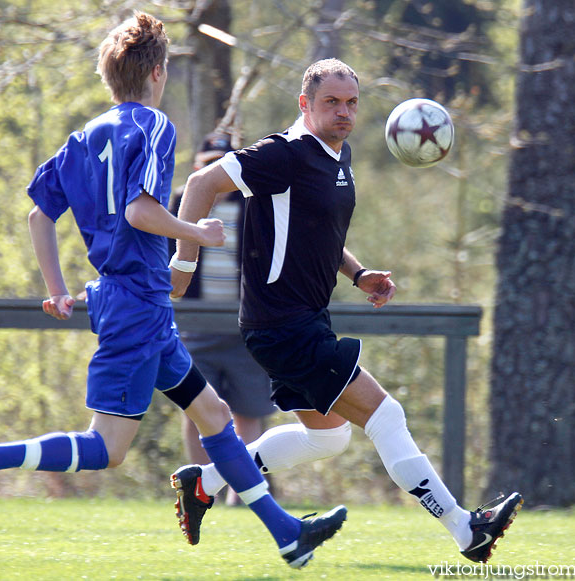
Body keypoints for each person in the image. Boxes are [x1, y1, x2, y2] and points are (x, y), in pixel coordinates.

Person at [0, 14, 347, 570]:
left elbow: (40, 215)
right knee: (107, 450)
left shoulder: (84, 136)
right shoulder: (153, 127)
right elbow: (140, 210)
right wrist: (195, 233)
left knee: (214, 414)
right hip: (137, 303)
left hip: (128, 299)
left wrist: (56, 290)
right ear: (158, 73)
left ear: (111, 76)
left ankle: (286, 534)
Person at [169, 58, 522, 565]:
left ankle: (205, 481)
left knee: (328, 437)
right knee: (386, 415)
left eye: (351, 102)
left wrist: (358, 275)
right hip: (283, 325)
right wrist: (184, 262)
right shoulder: (283, 154)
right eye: (331, 102)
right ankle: (467, 530)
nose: (343, 112)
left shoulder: (337, 155)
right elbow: (201, 184)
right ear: (305, 104)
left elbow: (318, 235)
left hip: (299, 321)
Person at [169, 132, 276, 506]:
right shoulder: (181, 204)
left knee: (250, 409)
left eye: (221, 163)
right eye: (205, 163)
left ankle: (244, 492)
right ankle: (198, 490)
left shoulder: (256, 206)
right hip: (196, 327)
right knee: (197, 410)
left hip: (247, 327)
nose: (212, 171)